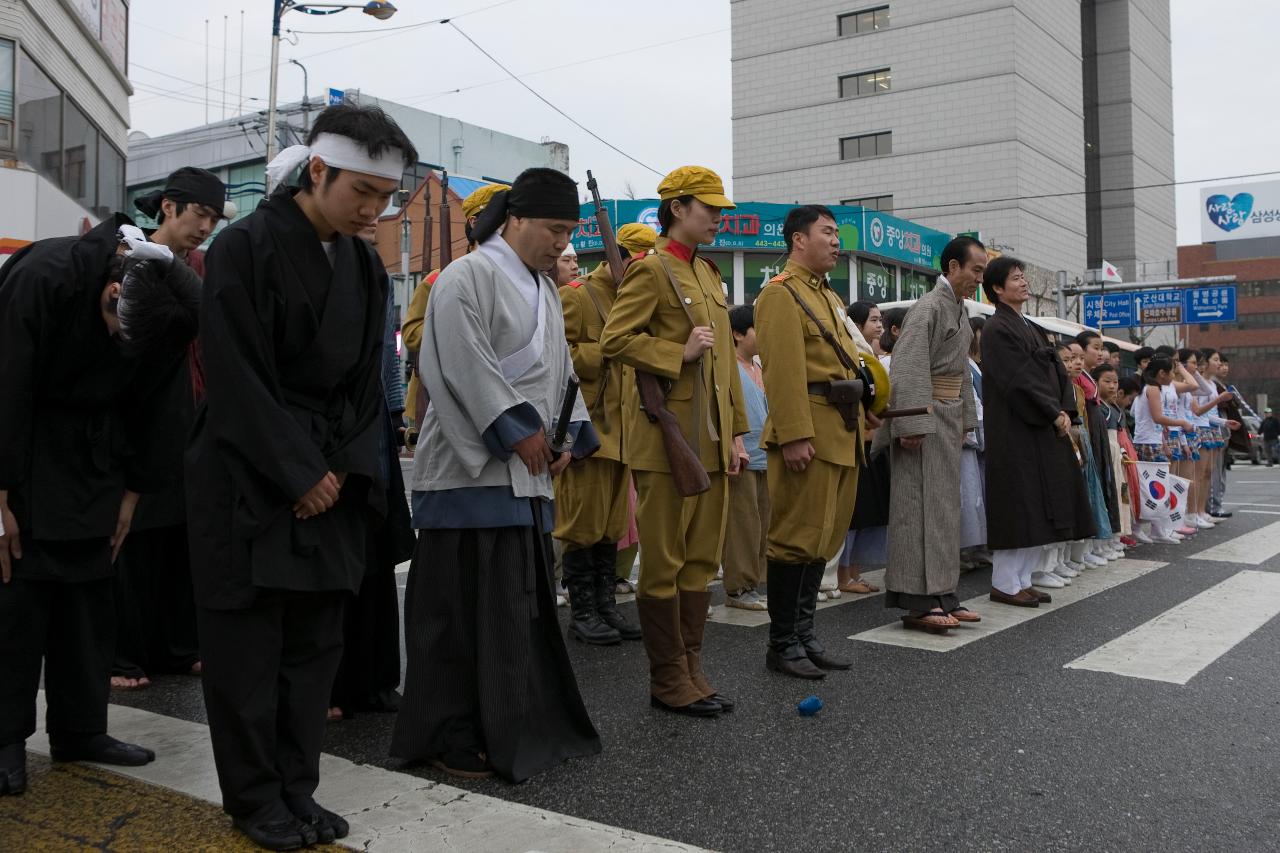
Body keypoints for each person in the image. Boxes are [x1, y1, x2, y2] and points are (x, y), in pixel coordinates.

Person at [186, 104, 415, 849]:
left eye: (385, 199)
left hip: (331, 480)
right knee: (249, 653)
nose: (373, 211)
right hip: (252, 476)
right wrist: (298, 470)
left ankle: (297, 788)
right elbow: (234, 373)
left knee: (314, 653)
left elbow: (363, 390)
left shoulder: (361, 264)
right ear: (317, 170)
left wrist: (342, 472)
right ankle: (254, 797)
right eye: (362, 193)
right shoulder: (243, 247)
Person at [392, 167, 601, 782]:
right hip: (469, 473)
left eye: (567, 233)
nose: (560, 244)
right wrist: (517, 428)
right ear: (514, 218)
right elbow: (457, 362)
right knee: (454, 617)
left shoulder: (541, 289)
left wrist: (564, 435)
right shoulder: (464, 277)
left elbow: (562, 374)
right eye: (553, 229)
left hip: (525, 470)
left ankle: (505, 723)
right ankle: (444, 732)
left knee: (513, 614)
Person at [0, 221, 200, 797]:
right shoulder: (44, 277)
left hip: (98, 456)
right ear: (114, 292)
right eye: (118, 331)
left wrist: (134, 492)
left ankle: (82, 729)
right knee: (15, 598)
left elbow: (162, 406)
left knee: (90, 599)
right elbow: (2, 382)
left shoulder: (166, 305)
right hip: (23, 448)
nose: (121, 347)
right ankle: (3, 738)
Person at [600, 165, 748, 717]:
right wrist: (674, 354)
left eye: (719, 209)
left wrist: (735, 432)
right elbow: (616, 338)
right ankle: (668, 679)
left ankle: (691, 666)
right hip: (667, 442)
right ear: (678, 208)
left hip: (708, 441)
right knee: (663, 560)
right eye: (708, 207)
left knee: (701, 560)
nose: (717, 217)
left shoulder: (708, 273)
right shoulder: (652, 270)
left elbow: (727, 361)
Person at [112, 167, 234, 690]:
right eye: (199, 214)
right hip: (145, 409)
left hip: (199, 409)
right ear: (168, 207)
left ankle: (178, 646)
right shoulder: (129, 255)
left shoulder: (205, 266)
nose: (205, 226)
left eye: (213, 217)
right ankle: (122, 653)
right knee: (136, 535)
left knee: (187, 534)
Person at [756, 205, 872, 677]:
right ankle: (782, 643)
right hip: (810, 431)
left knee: (822, 539)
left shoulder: (828, 297)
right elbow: (782, 373)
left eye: (837, 233)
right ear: (798, 240)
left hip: (840, 430)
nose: (836, 241)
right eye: (827, 232)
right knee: (796, 539)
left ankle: (804, 635)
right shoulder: (781, 295)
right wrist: (794, 435)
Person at [328, 226, 416, 722]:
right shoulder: (320, 268)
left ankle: (377, 680)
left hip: (376, 425)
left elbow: (388, 354)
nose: (369, 219)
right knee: (339, 560)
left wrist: (398, 413)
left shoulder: (374, 271)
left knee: (377, 557)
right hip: (335, 432)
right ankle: (332, 683)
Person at [551, 224, 649, 644]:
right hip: (589, 427)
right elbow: (556, 355)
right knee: (581, 524)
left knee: (611, 526)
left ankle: (606, 606)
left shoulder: (635, 300)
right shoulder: (575, 295)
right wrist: (604, 351)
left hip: (625, 430)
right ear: (620, 256)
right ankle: (583, 611)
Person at [881, 236, 983, 633]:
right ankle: (917, 600)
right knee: (916, 508)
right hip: (923, 419)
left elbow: (959, 375)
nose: (978, 278)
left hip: (946, 416)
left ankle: (942, 592)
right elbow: (906, 368)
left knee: (943, 509)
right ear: (952, 267)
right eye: (974, 270)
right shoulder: (926, 308)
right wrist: (910, 423)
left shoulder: (956, 308)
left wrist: (965, 423)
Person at [979, 257, 1093, 607]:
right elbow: (1018, 379)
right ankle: (1004, 583)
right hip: (1017, 428)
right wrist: (1051, 411)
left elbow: (1058, 372)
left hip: (1044, 425)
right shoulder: (997, 328)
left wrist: (1063, 410)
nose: (1024, 283)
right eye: (1016, 279)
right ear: (998, 289)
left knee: (1042, 505)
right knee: (1019, 504)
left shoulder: (1030, 325)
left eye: (1023, 277)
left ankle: (1023, 579)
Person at [403, 182, 509, 434]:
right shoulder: (438, 279)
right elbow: (411, 334)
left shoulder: (514, 279)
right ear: (475, 222)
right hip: (447, 396)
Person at [722, 304, 770, 611]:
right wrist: (734, 446)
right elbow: (727, 412)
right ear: (738, 333)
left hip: (765, 456)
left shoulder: (759, 368)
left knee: (764, 524)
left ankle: (757, 583)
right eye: (757, 327)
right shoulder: (729, 368)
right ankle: (738, 587)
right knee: (743, 525)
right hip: (743, 456)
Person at [836, 300, 885, 595]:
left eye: (880, 320)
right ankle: (843, 577)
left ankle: (854, 573)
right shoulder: (853, 353)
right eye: (873, 320)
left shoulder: (872, 354)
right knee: (853, 513)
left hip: (871, 440)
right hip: (856, 439)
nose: (878, 325)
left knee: (867, 512)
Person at [959, 316, 989, 566]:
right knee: (966, 497)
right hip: (966, 437)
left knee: (975, 497)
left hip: (977, 437)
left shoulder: (976, 366)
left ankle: (976, 547)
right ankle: (964, 550)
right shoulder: (965, 366)